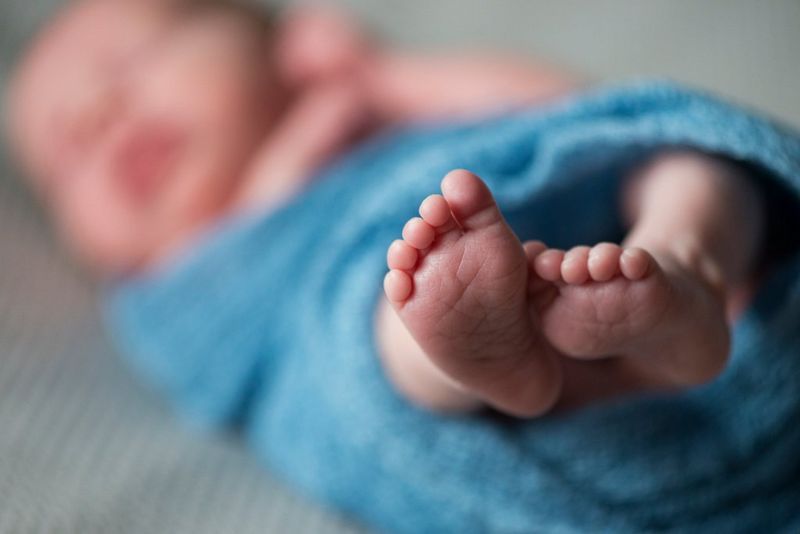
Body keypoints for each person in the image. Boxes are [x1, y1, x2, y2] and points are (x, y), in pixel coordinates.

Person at [6, 0, 765, 418]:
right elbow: (205, 358)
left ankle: (682, 259)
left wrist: (389, 78)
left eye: (128, 65)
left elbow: (563, 112)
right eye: (67, 153)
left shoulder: (373, 94)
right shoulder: (171, 289)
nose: (98, 117)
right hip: (366, 313)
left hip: (560, 219)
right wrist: (288, 166)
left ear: (292, 40)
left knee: (680, 155)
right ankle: (483, 355)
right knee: (381, 329)